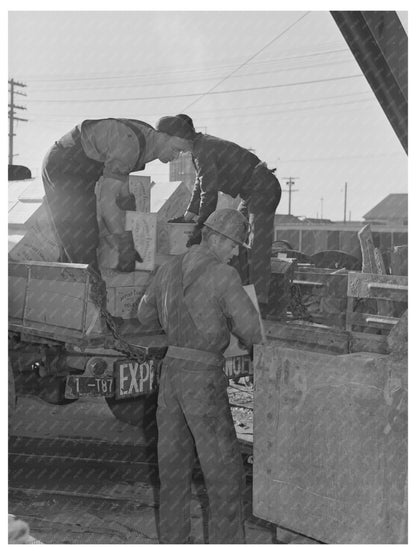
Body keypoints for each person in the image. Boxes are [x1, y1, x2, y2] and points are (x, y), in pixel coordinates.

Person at [137, 208, 263, 544]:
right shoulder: (223, 275)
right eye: (234, 245)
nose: (236, 252)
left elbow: (143, 315)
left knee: (174, 474)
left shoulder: (168, 269)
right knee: (224, 475)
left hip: (170, 378)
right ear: (217, 238)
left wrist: (176, 318)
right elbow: (252, 331)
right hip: (202, 379)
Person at [155, 114, 282, 306]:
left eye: (173, 143)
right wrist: (188, 216)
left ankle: (260, 301)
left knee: (257, 246)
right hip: (251, 192)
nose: (175, 151)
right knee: (235, 237)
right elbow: (200, 186)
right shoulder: (198, 150)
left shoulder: (204, 149)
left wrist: (200, 227)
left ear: (180, 137)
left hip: (263, 188)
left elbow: (210, 192)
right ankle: (241, 292)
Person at [42, 118, 190, 272]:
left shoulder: (146, 140)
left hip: (78, 168)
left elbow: (122, 187)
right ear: (164, 135)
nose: (177, 156)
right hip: (64, 165)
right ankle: (89, 289)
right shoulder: (130, 144)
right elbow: (107, 201)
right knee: (82, 236)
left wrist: (129, 212)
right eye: (176, 149)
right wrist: (124, 243)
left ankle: (70, 284)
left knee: (77, 238)